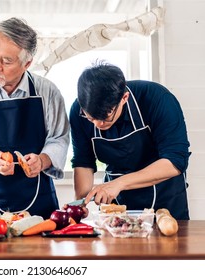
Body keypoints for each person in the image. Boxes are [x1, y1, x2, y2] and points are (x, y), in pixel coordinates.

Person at [0, 17, 70, 219]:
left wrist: (42, 161)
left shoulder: (48, 92)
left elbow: (59, 138)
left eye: (6, 61)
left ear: (27, 63)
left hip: (38, 198)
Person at [69, 61, 191, 220]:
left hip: (166, 201)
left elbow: (175, 160)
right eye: (91, 118)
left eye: (106, 117)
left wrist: (119, 184)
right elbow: (84, 162)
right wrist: (82, 201)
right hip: (117, 205)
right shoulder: (77, 111)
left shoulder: (157, 99)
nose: (98, 125)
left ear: (124, 98)